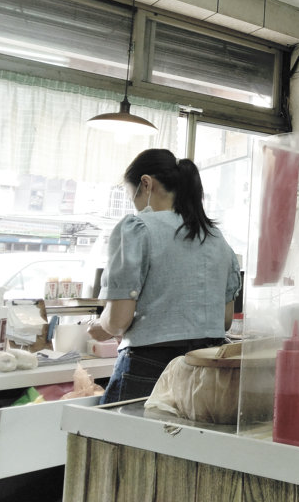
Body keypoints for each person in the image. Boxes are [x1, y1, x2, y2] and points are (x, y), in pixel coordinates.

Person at [87, 148, 241, 403]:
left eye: (131, 194)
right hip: (206, 369)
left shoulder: (138, 229)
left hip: (149, 366)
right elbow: (224, 320)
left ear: (146, 184)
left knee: (122, 439)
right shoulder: (217, 238)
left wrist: (101, 327)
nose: (134, 204)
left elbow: (118, 320)